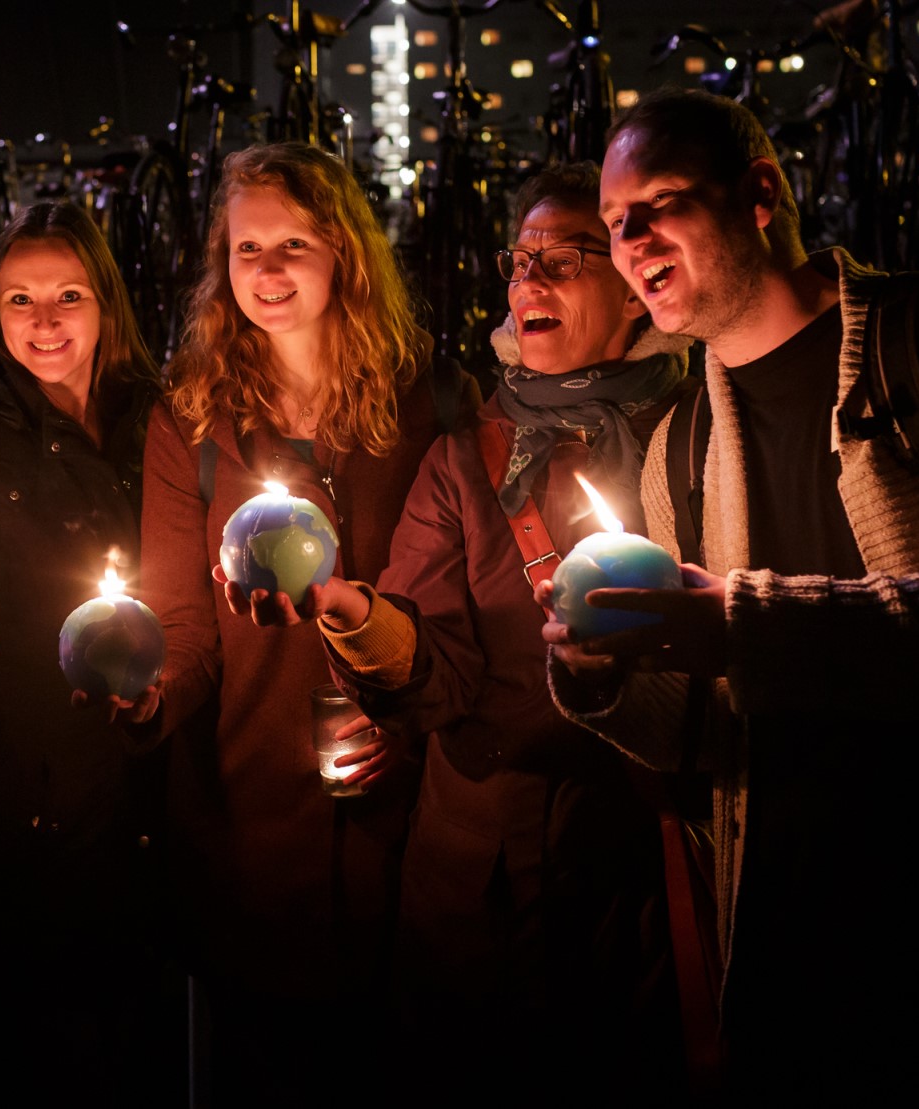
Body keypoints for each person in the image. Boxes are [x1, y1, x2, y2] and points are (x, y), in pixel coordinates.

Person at [538, 87, 919, 1097]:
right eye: (614, 224)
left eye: (658, 202)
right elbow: (704, 734)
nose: (631, 238)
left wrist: (742, 622)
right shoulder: (678, 447)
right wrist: (606, 671)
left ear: (760, 193)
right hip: (797, 966)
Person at [302, 163, 690, 1098]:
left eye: (565, 258)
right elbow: (435, 675)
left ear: (636, 292)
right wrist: (353, 618)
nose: (530, 280)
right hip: (479, 871)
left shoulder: (699, 427)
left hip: (644, 855)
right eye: (521, 261)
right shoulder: (465, 458)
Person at [138, 141, 476, 1104]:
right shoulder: (192, 421)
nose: (270, 271)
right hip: (246, 837)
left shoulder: (433, 403)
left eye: (295, 244)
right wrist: (142, 699)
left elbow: (460, 615)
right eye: (248, 250)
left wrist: (400, 708)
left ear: (347, 257)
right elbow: (182, 629)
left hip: (405, 841)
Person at [0, 201, 174, 1101]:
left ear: (107, 305)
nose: (46, 321)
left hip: (154, 776)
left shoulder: (160, 421)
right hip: (34, 804)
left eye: (68, 296)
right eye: (20, 300)